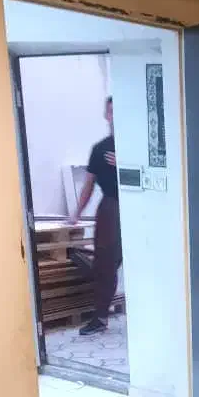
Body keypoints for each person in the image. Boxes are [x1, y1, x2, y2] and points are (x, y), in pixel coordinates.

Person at [69, 96, 121, 336]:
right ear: (106, 115)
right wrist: (77, 213)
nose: (115, 115)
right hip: (111, 208)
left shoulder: (141, 144)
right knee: (104, 264)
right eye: (111, 111)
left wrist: (125, 165)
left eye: (119, 110)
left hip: (140, 208)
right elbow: (89, 184)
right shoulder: (100, 149)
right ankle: (100, 317)